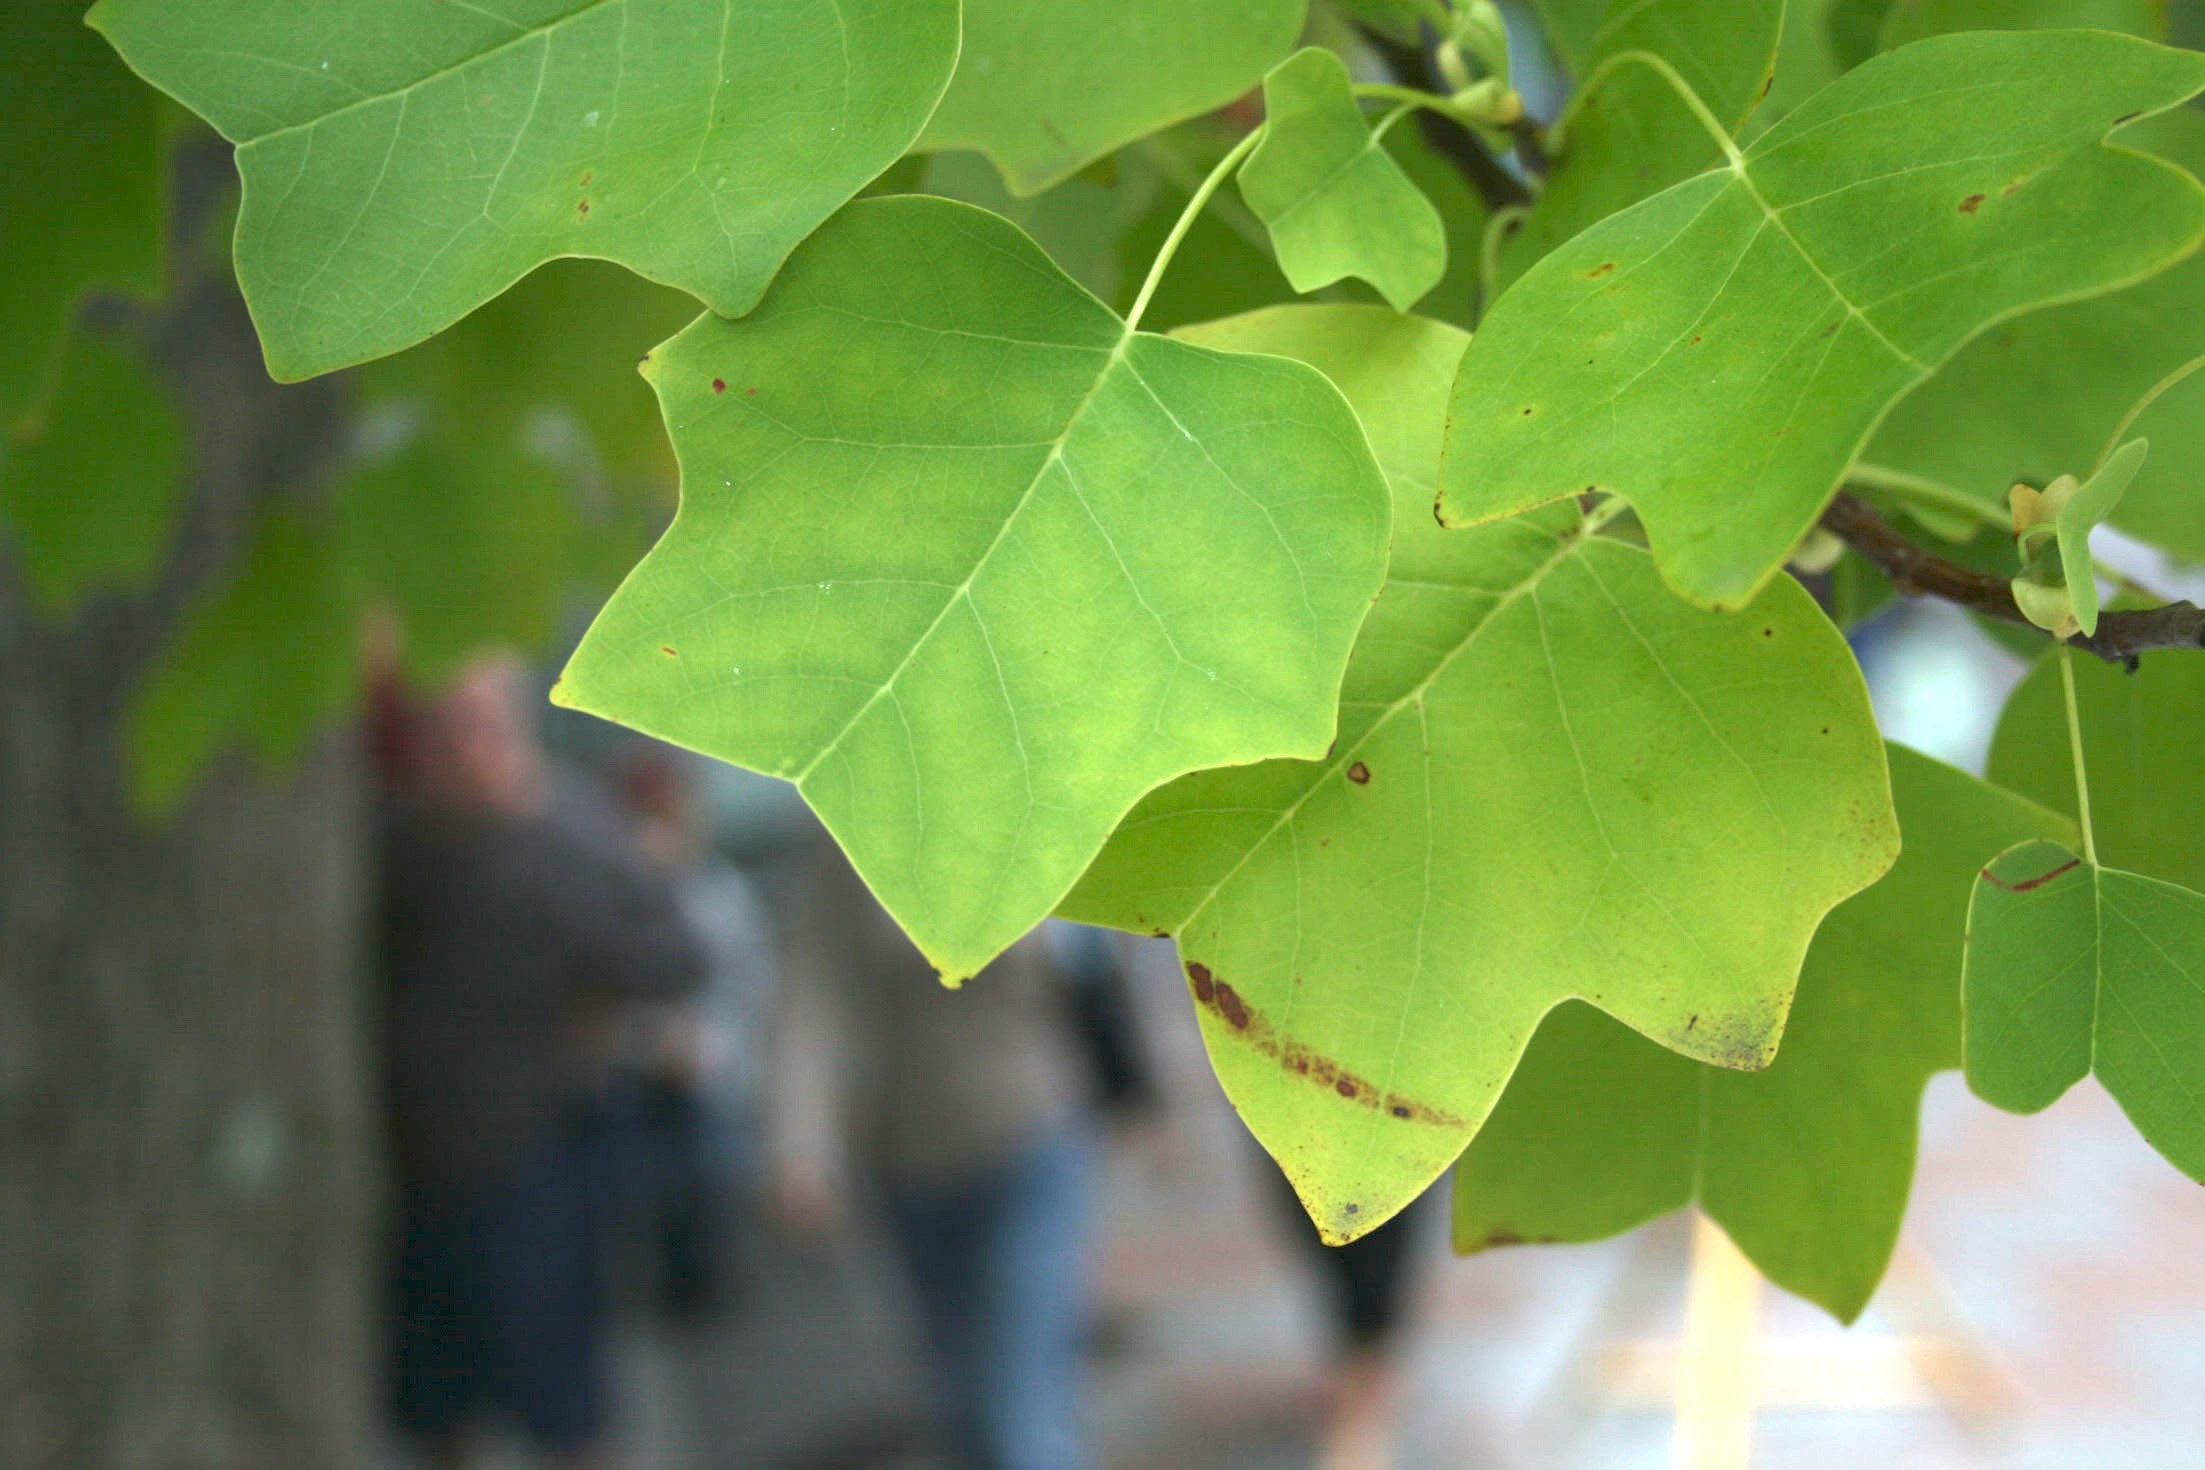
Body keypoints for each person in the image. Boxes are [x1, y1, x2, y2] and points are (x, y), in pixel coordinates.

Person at [373, 654, 705, 1470]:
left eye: (481, 724)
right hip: (422, 1167)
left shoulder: (566, 831)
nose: (464, 748)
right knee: (435, 1404)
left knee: (559, 1398)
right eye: (447, 727)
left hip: (534, 1157)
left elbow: (674, 952)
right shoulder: (401, 846)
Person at [769, 830, 1114, 1470]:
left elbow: (1080, 954)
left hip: (1024, 1141)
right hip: (906, 1166)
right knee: (961, 1411)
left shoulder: (1008, 819)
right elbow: (817, 998)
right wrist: (801, 1146)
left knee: (1022, 1419)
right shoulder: (845, 846)